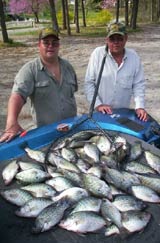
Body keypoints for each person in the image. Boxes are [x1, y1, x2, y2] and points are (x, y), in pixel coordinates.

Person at [0, 27, 78, 142]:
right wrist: (12, 122)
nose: (50, 46)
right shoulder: (30, 70)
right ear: (39, 45)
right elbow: (17, 96)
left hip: (72, 130)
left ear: (59, 45)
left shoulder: (68, 67)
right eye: (46, 43)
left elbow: (72, 94)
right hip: (46, 134)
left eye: (54, 43)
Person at [84, 22, 148, 121]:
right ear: (106, 39)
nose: (116, 42)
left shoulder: (133, 56)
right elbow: (89, 83)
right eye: (112, 39)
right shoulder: (98, 54)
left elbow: (138, 84)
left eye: (120, 39)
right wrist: (98, 105)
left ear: (126, 38)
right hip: (100, 112)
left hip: (123, 113)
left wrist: (140, 106)